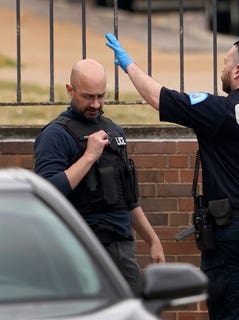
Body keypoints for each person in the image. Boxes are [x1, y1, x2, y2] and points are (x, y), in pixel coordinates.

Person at [104, 33, 239, 320]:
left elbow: (158, 97)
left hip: (232, 233)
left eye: (226, 63)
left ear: (238, 71)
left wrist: (128, 64)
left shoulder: (220, 109)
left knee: (229, 309)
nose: (222, 69)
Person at [34, 58, 166, 294]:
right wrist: (88, 157)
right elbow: (45, 193)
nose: (96, 104)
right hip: (81, 248)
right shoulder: (55, 135)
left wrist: (153, 240)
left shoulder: (114, 131)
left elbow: (127, 198)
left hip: (121, 248)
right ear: (70, 90)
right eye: (87, 97)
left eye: (101, 96)